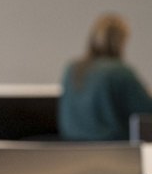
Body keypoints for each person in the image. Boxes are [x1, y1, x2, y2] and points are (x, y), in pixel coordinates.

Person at [58, 13, 152, 141]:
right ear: (120, 41)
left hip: (70, 146)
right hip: (113, 148)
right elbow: (146, 109)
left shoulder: (72, 69)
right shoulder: (119, 72)